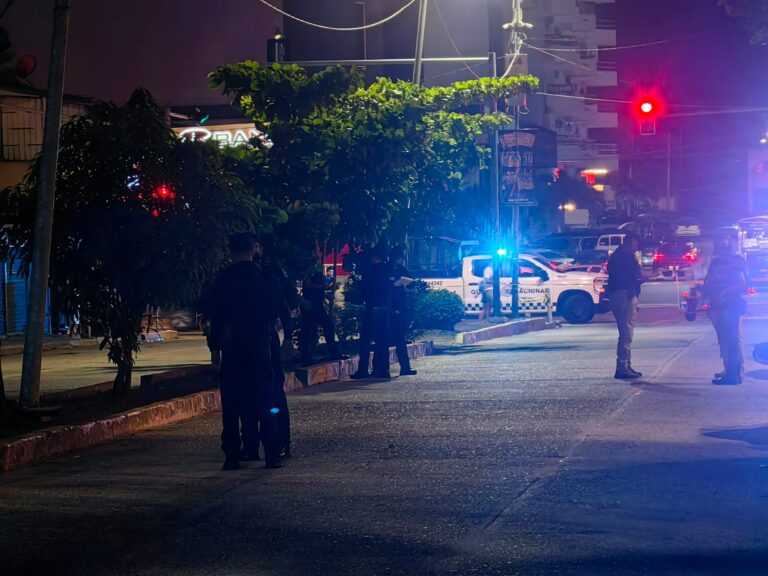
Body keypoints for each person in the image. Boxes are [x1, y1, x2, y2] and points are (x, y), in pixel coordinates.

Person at [207, 233, 286, 470]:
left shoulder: (223, 279)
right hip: (261, 344)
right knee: (266, 399)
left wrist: (215, 351)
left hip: (233, 345)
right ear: (253, 249)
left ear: (229, 251)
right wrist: (287, 342)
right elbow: (281, 308)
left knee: (231, 402)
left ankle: (232, 456)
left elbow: (215, 317)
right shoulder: (267, 277)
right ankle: (272, 455)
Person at [704, 235, 748, 385]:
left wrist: (723, 293)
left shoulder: (736, 261)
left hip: (730, 305)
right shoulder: (716, 261)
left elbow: (742, 283)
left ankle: (734, 373)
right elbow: (709, 281)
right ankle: (730, 369)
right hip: (718, 305)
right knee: (725, 339)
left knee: (732, 340)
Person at [350, 245, 392, 379]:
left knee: (365, 341)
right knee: (382, 340)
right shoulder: (387, 270)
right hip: (385, 307)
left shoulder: (369, 272)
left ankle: (363, 370)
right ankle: (382, 369)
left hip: (372, 307)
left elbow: (364, 291)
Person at [606, 232, 644, 380]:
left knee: (626, 331)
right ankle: (622, 366)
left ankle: (626, 364)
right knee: (626, 331)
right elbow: (631, 277)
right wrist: (646, 277)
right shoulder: (623, 257)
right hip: (623, 295)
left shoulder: (620, 256)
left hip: (624, 294)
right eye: (637, 244)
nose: (637, 247)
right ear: (632, 242)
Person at [300, 268, 343, 365]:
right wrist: (325, 287)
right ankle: (307, 354)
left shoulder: (316, 268)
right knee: (314, 327)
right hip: (311, 302)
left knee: (312, 327)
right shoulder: (307, 267)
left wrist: (328, 286)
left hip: (316, 302)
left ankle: (307, 354)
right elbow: (308, 284)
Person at [389, 246, 417, 377]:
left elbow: (413, 288)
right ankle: (381, 369)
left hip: (399, 308)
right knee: (386, 339)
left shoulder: (402, 270)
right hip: (389, 307)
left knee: (399, 339)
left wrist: (404, 288)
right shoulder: (385, 269)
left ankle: (405, 367)